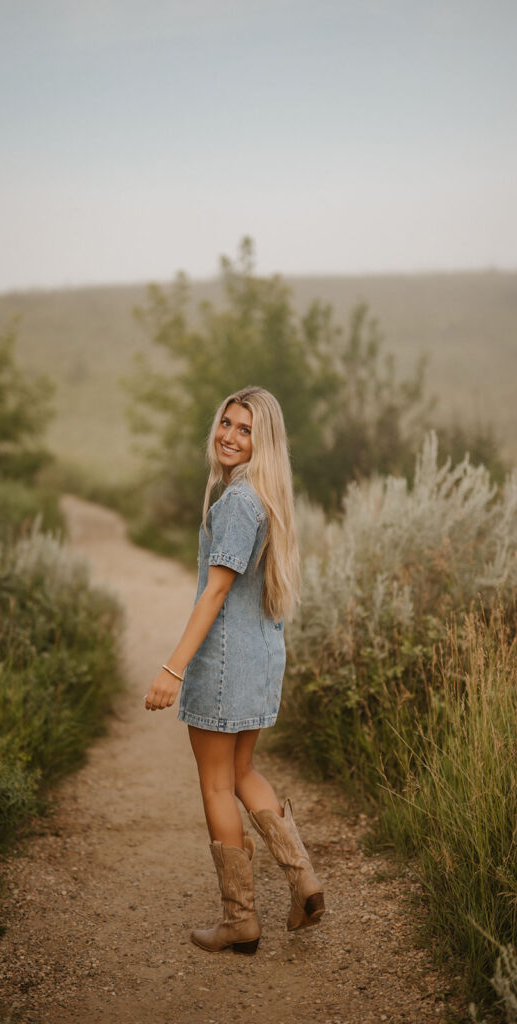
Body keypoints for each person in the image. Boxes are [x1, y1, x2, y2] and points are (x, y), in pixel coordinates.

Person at [144, 386, 324, 955]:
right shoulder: (262, 498)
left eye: (245, 429)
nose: (229, 435)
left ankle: (240, 919)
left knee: (218, 782)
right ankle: (304, 881)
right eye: (226, 422)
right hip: (261, 654)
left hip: (225, 662)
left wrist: (173, 669)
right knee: (244, 771)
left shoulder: (238, 504)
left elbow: (216, 591)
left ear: (262, 441)